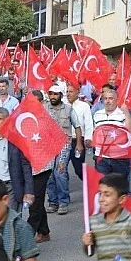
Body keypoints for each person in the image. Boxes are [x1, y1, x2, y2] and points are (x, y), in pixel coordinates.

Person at [43, 84, 82, 214]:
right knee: (48, 174)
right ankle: (53, 201)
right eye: (51, 94)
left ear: (61, 95)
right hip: (47, 145)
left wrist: (79, 144)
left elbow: (77, 126)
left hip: (64, 144)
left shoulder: (69, 109)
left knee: (60, 172)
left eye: (55, 94)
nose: (53, 96)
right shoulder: (43, 108)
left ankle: (63, 201)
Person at [91, 89, 131, 182]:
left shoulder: (123, 114)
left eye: (111, 98)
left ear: (116, 100)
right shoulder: (97, 114)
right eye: (105, 98)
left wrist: (126, 113)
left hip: (120, 158)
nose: (107, 101)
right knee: (103, 186)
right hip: (101, 158)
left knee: (119, 187)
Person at [65, 83, 93, 181]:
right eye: (67, 91)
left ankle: (90, 185)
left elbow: (88, 123)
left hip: (77, 142)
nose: (68, 94)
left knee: (79, 170)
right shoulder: (63, 105)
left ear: (78, 92)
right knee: (61, 169)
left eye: (71, 91)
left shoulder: (84, 106)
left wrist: (88, 139)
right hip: (64, 142)